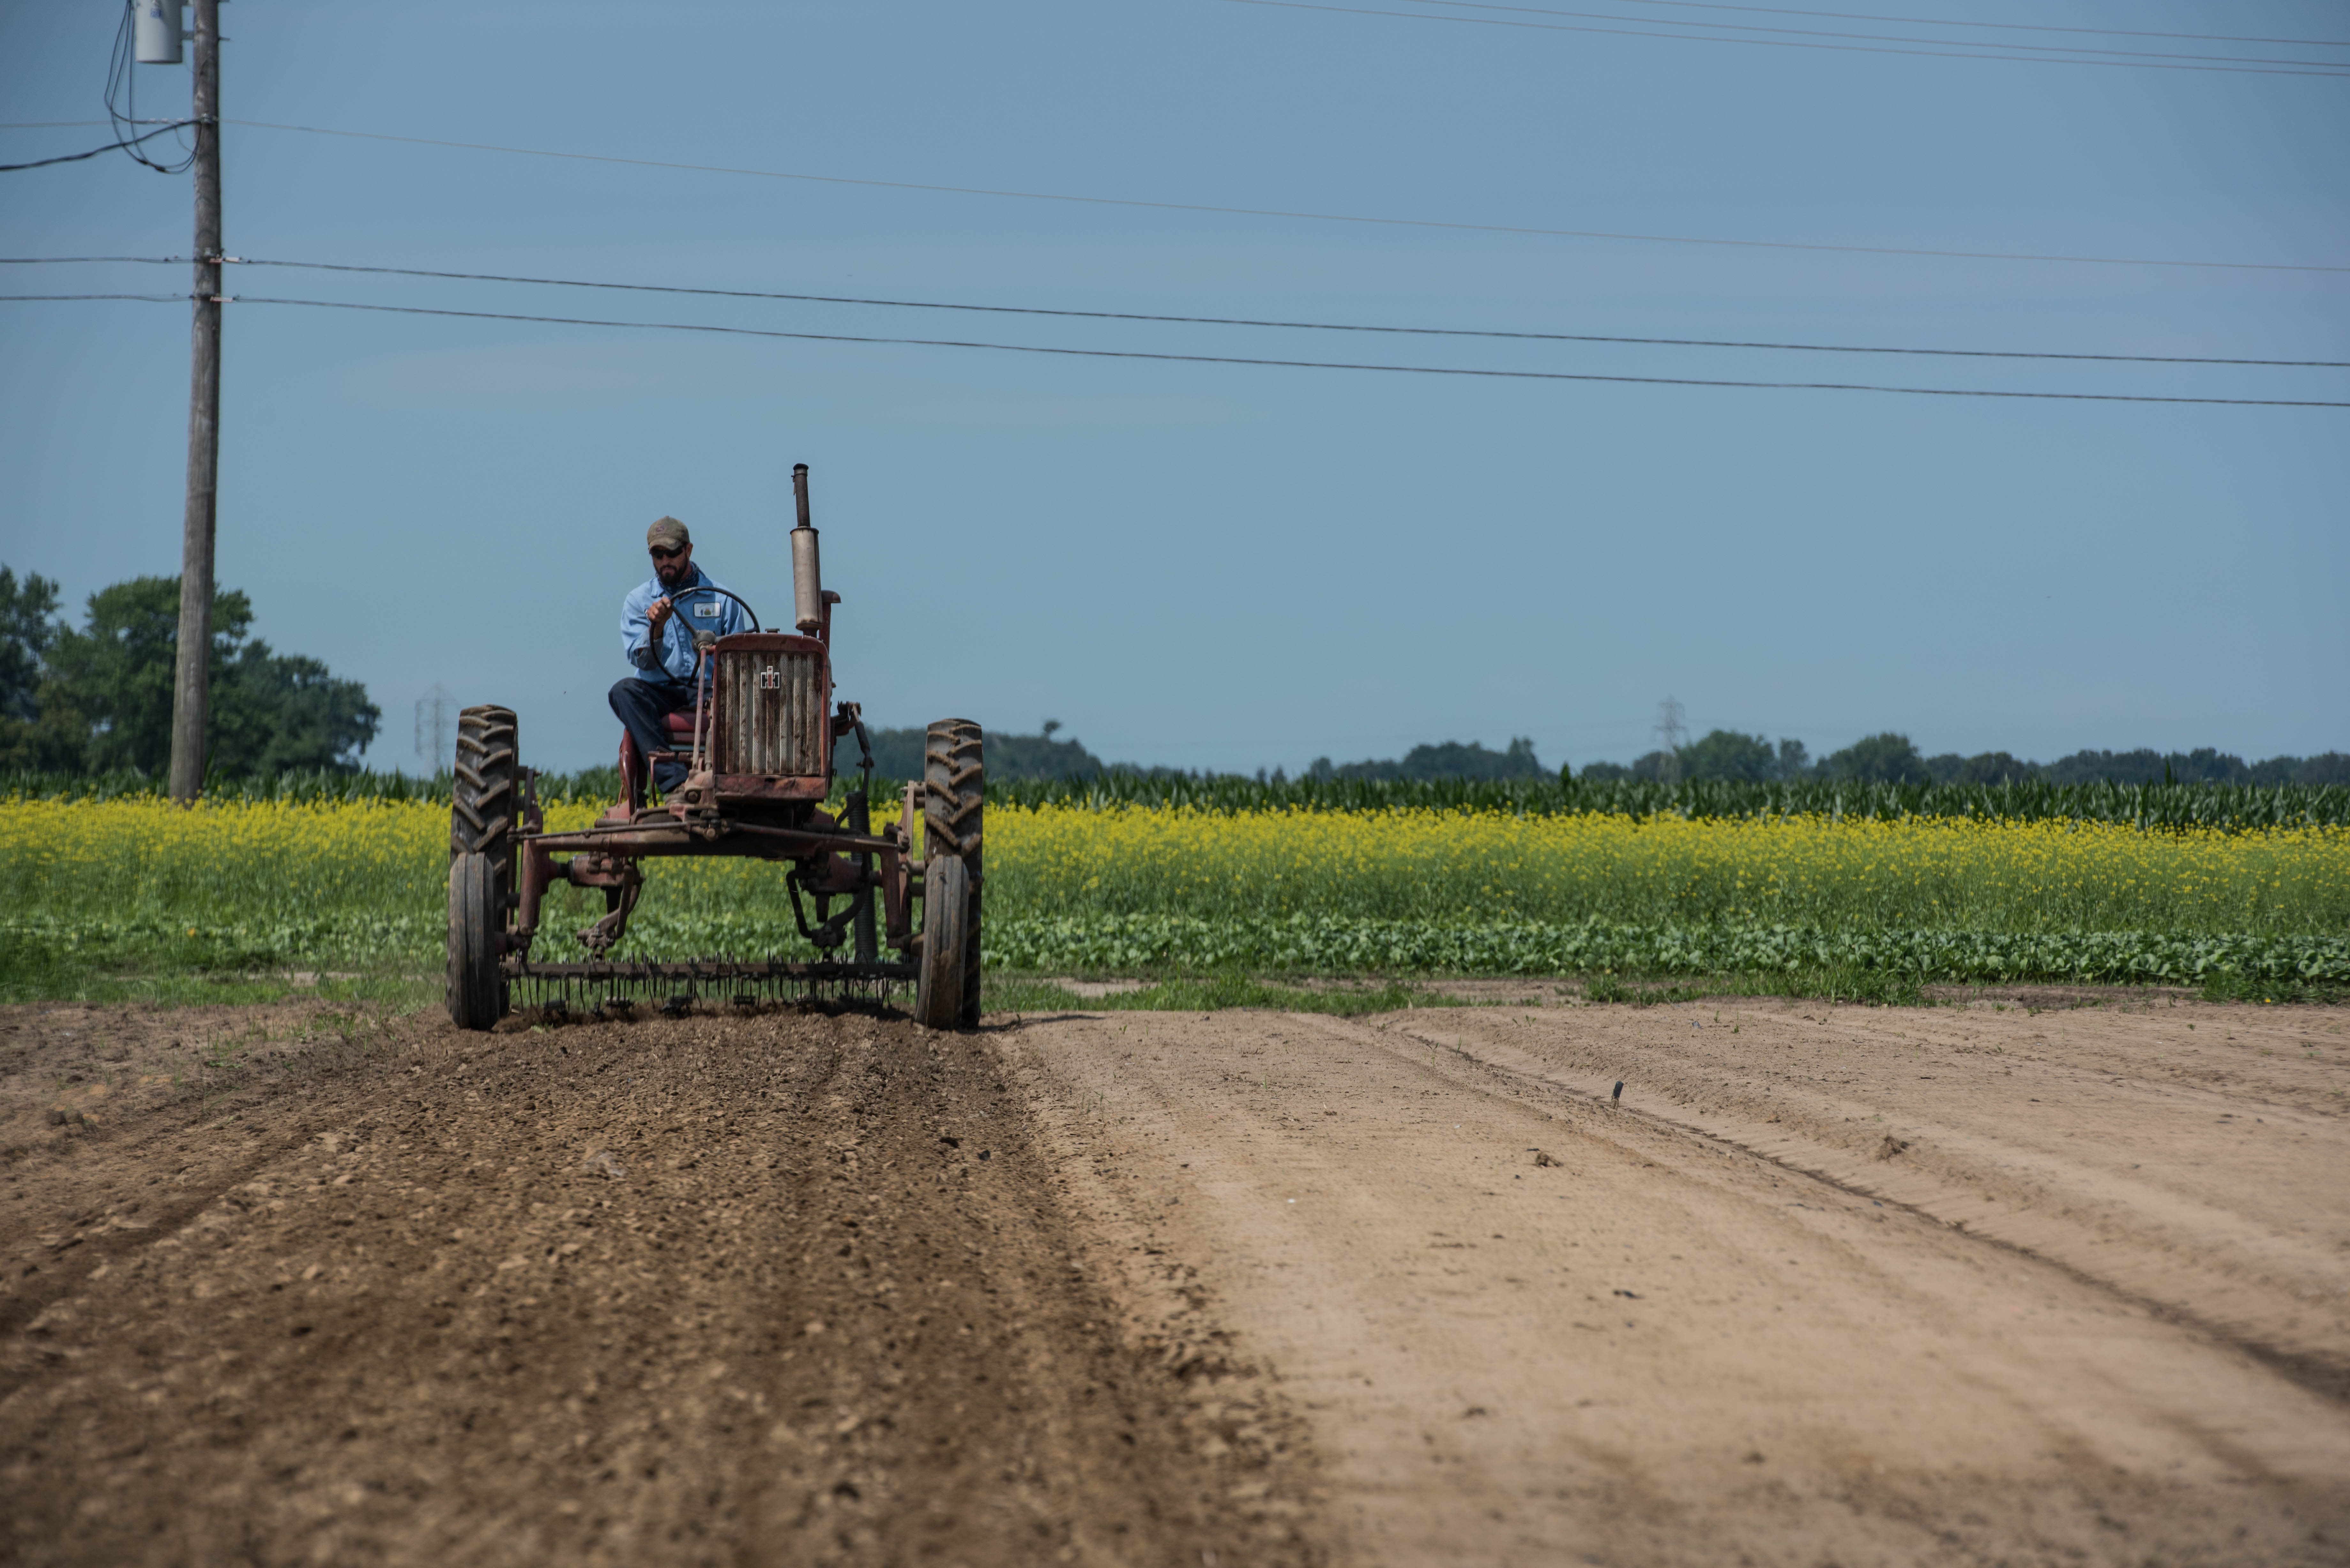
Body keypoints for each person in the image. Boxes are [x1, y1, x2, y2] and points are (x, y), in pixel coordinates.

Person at [609, 516, 751, 791]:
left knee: (752, 694)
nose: (665, 561)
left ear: (689, 550)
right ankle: (675, 784)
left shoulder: (721, 600)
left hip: (712, 690)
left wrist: (720, 651)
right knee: (623, 692)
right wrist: (656, 628)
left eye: (672, 553)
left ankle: (737, 784)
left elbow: (741, 661)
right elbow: (641, 659)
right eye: (658, 554)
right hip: (660, 691)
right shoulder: (639, 601)